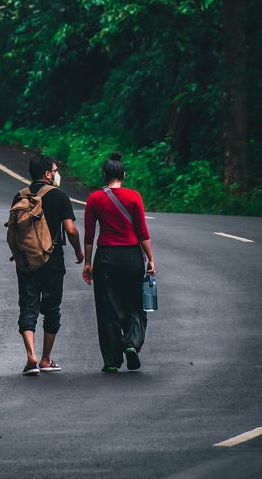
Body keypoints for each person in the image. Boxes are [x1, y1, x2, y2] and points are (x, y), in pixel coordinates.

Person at [82, 152, 156, 373]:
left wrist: (88, 263)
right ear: (124, 174)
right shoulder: (134, 197)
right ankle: (131, 343)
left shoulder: (94, 199)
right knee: (135, 304)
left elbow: (89, 235)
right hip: (132, 257)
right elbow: (142, 232)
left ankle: (112, 361)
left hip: (105, 257)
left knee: (107, 309)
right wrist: (151, 258)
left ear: (104, 175)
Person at [12, 152, 84, 375]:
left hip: (26, 261)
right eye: (54, 171)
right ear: (47, 174)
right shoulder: (59, 196)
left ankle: (30, 356)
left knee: (28, 306)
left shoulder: (20, 195)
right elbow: (71, 230)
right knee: (51, 309)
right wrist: (79, 251)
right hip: (52, 261)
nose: (56, 174)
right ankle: (45, 359)